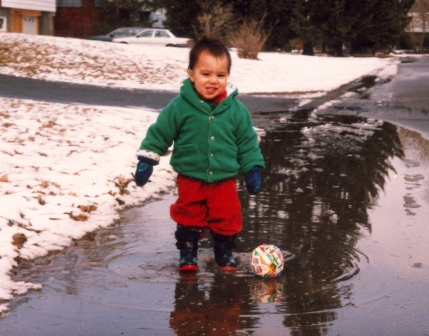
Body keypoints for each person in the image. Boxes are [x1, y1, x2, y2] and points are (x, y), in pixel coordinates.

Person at [134, 36, 265, 272]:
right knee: (188, 215)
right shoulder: (179, 107)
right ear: (191, 74)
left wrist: (252, 168)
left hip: (224, 178)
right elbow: (160, 132)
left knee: (227, 216)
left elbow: (247, 142)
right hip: (190, 176)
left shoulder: (236, 110)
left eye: (220, 75)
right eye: (206, 74)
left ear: (227, 77)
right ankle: (188, 254)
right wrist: (147, 159)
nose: (213, 81)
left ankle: (224, 252)